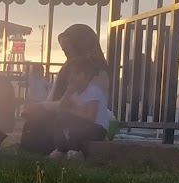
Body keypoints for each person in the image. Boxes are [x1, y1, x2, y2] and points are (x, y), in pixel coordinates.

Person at [19, 23, 115, 155]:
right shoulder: (67, 69)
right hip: (64, 111)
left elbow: (82, 107)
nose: (66, 52)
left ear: (80, 46)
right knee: (33, 122)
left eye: (69, 48)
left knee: (57, 125)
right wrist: (38, 107)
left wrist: (42, 106)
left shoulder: (96, 73)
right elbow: (53, 98)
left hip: (84, 120)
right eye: (64, 49)